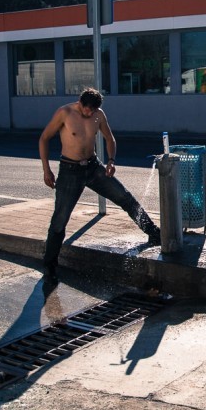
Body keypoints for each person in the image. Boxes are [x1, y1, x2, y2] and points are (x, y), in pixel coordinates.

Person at [39, 87, 160, 283]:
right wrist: (46, 169)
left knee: (124, 197)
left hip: (94, 167)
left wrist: (111, 160)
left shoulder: (98, 114)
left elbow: (109, 138)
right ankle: (50, 265)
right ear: (80, 103)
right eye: (87, 110)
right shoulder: (65, 113)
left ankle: (154, 233)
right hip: (70, 170)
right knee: (60, 219)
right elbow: (44, 138)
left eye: (93, 110)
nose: (89, 113)